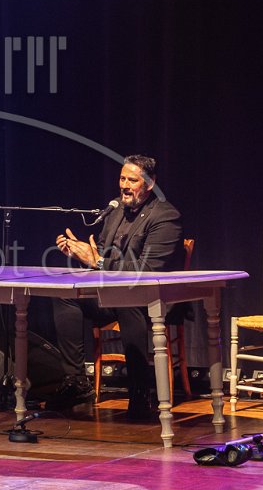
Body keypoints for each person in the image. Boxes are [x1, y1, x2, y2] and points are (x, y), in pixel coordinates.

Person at [49, 154, 184, 420]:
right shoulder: (116, 211)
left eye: (132, 180)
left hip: (152, 299)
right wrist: (80, 253)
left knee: (128, 303)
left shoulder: (166, 216)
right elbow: (101, 253)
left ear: (150, 183)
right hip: (112, 295)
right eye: (122, 179)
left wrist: (97, 260)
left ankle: (139, 394)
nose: (124, 185)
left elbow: (147, 270)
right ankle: (76, 382)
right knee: (65, 294)